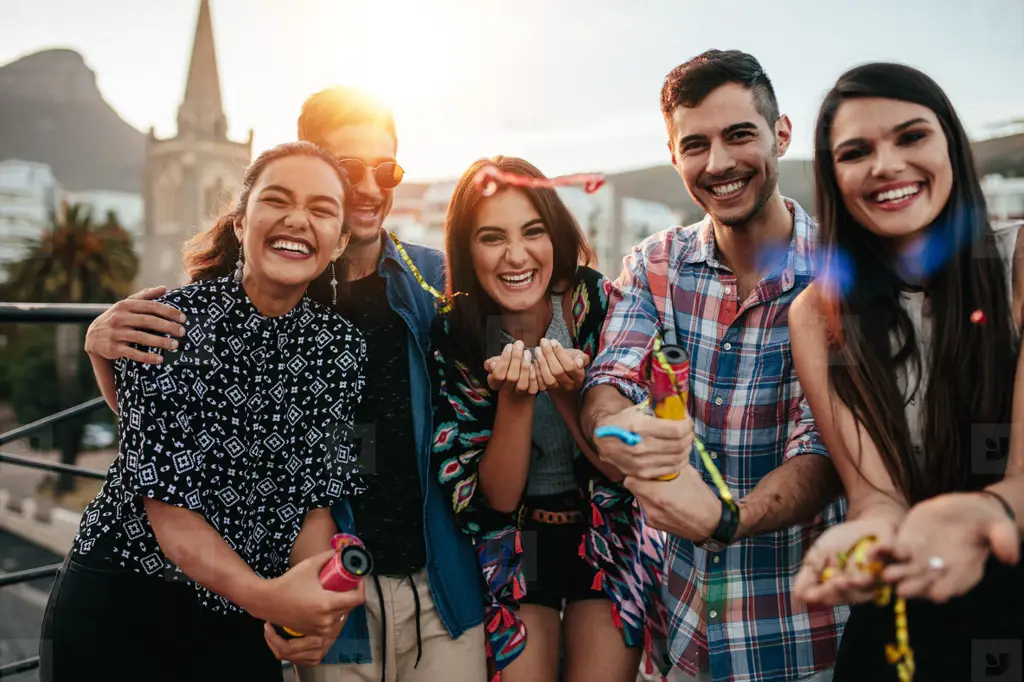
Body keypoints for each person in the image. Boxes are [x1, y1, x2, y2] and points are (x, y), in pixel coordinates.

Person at [81, 86, 487, 682]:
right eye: (350, 170)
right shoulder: (239, 291)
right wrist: (100, 346)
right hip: (304, 582)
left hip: (428, 577)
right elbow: (168, 451)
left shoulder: (438, 278)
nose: (371, 188)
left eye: (387, 169)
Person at [39, 141, 368, 682]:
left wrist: (314, 608)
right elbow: (171, 511)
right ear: (241, 224)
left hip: (242, 620)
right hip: (123, 603)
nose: (297, 219)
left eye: (322, 209)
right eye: (277, 200)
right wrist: (270, 599)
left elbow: (316, 505)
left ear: (338, 243)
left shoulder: (343, 349)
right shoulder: (166, 322)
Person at [580, 50, 846, 682]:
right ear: (674, 155)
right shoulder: (653, 265)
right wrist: (625, 434)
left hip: (804, 644)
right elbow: (607, 387)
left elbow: (829, 449)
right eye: (695, 144)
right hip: (678, 638)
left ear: (781, 134)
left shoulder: (842, 270)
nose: (718, 163)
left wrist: (730, 517)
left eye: (739, 135)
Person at [790, 62, 1024, 682]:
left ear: (951, 142)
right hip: (903, 594)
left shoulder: (1019, 265)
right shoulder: (817, 314)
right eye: (856, 151)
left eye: (911, 136)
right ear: (832, 177)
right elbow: (876, 496)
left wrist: (980, 514)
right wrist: (861, 541)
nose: (885, 165)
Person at [428, 155, 671, 682]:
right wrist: (514, 400)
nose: (516, 255)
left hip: (604, 534)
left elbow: (620, 472)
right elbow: (496, 500)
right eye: (491, 237)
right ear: (467, 249)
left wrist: (571, 394)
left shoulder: (592, 302)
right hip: (520, 541)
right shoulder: (463, 330)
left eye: (532, 231)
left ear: (554, 234)